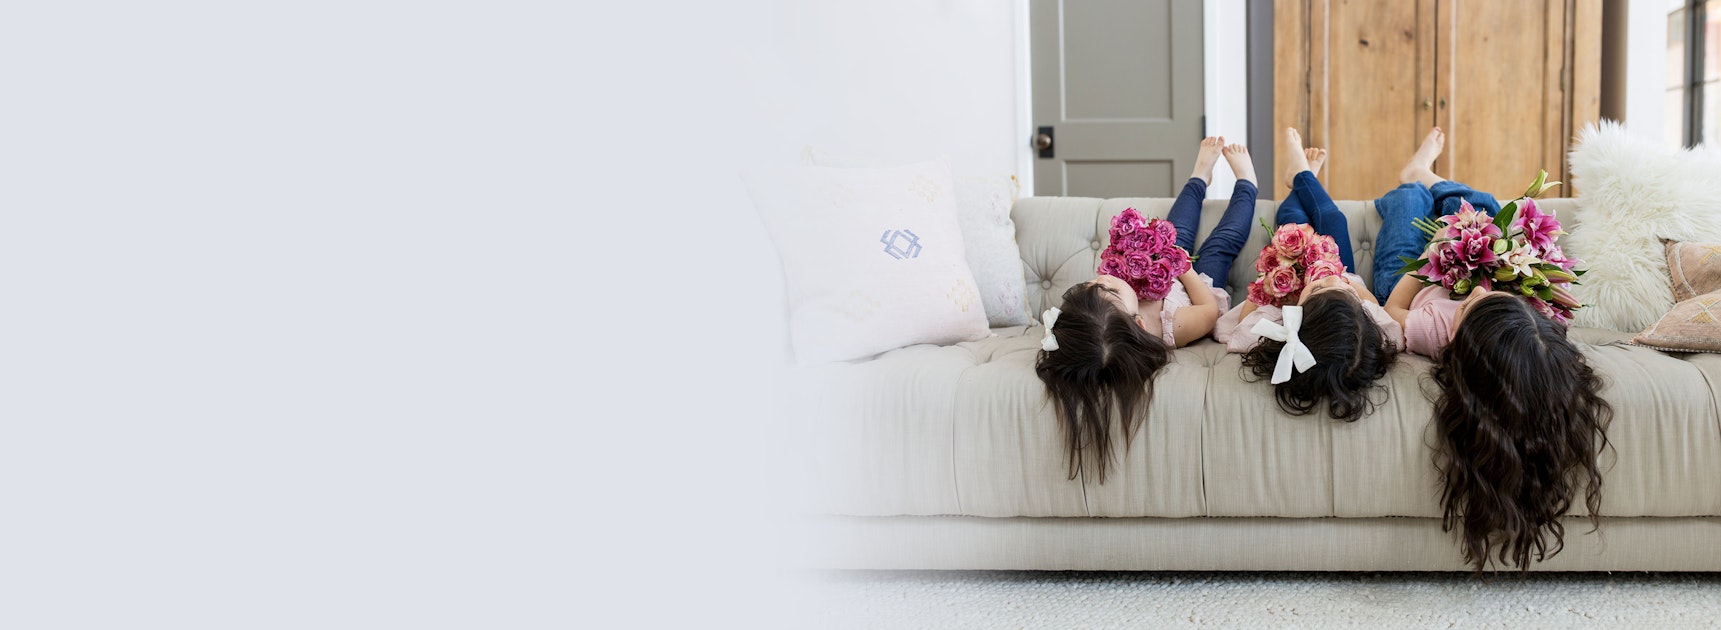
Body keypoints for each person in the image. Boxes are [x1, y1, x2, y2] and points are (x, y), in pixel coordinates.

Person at [1375, 127, 1614, 573]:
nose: (1478, 294)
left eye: (1470, 306)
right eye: (1491, 297)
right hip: (1472, 263)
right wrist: (1495, 260)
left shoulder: (1437, 333)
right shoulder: (1530, 335)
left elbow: (1395, 308)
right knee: (1484, 206)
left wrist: (1434, 258)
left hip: (1415, 284)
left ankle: (1416, 176)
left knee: (1407, 201)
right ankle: (1434, 178)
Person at [1035, 137, 1255, 483]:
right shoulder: (1172, 325)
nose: (1102, 280)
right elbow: (1208, 309)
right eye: (1108, 288)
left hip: (1160, 266)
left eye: (1095, 285)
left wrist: (1140, 253)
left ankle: (1199, 176)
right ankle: (1247, 183)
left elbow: (1101, 298)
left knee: (1176, 225)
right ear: (1137, 321)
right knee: (1223, 240)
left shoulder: (1104, 315)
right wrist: (1181, 265)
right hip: (1199, 283)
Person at [1215, 128, 1401, 422]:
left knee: (1292, 219)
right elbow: (1378, 309)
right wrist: (1346, 281)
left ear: (1300, 317)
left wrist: (1273, 278)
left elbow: (1239, 328)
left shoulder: (1283, 323)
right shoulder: (1367, 329)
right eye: (1334, 289)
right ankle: (1302, 174)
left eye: (1316, 289)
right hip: (1345, 270)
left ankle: (1300, 179)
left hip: (1288, 282)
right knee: (1333, 218)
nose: (1321, 279)